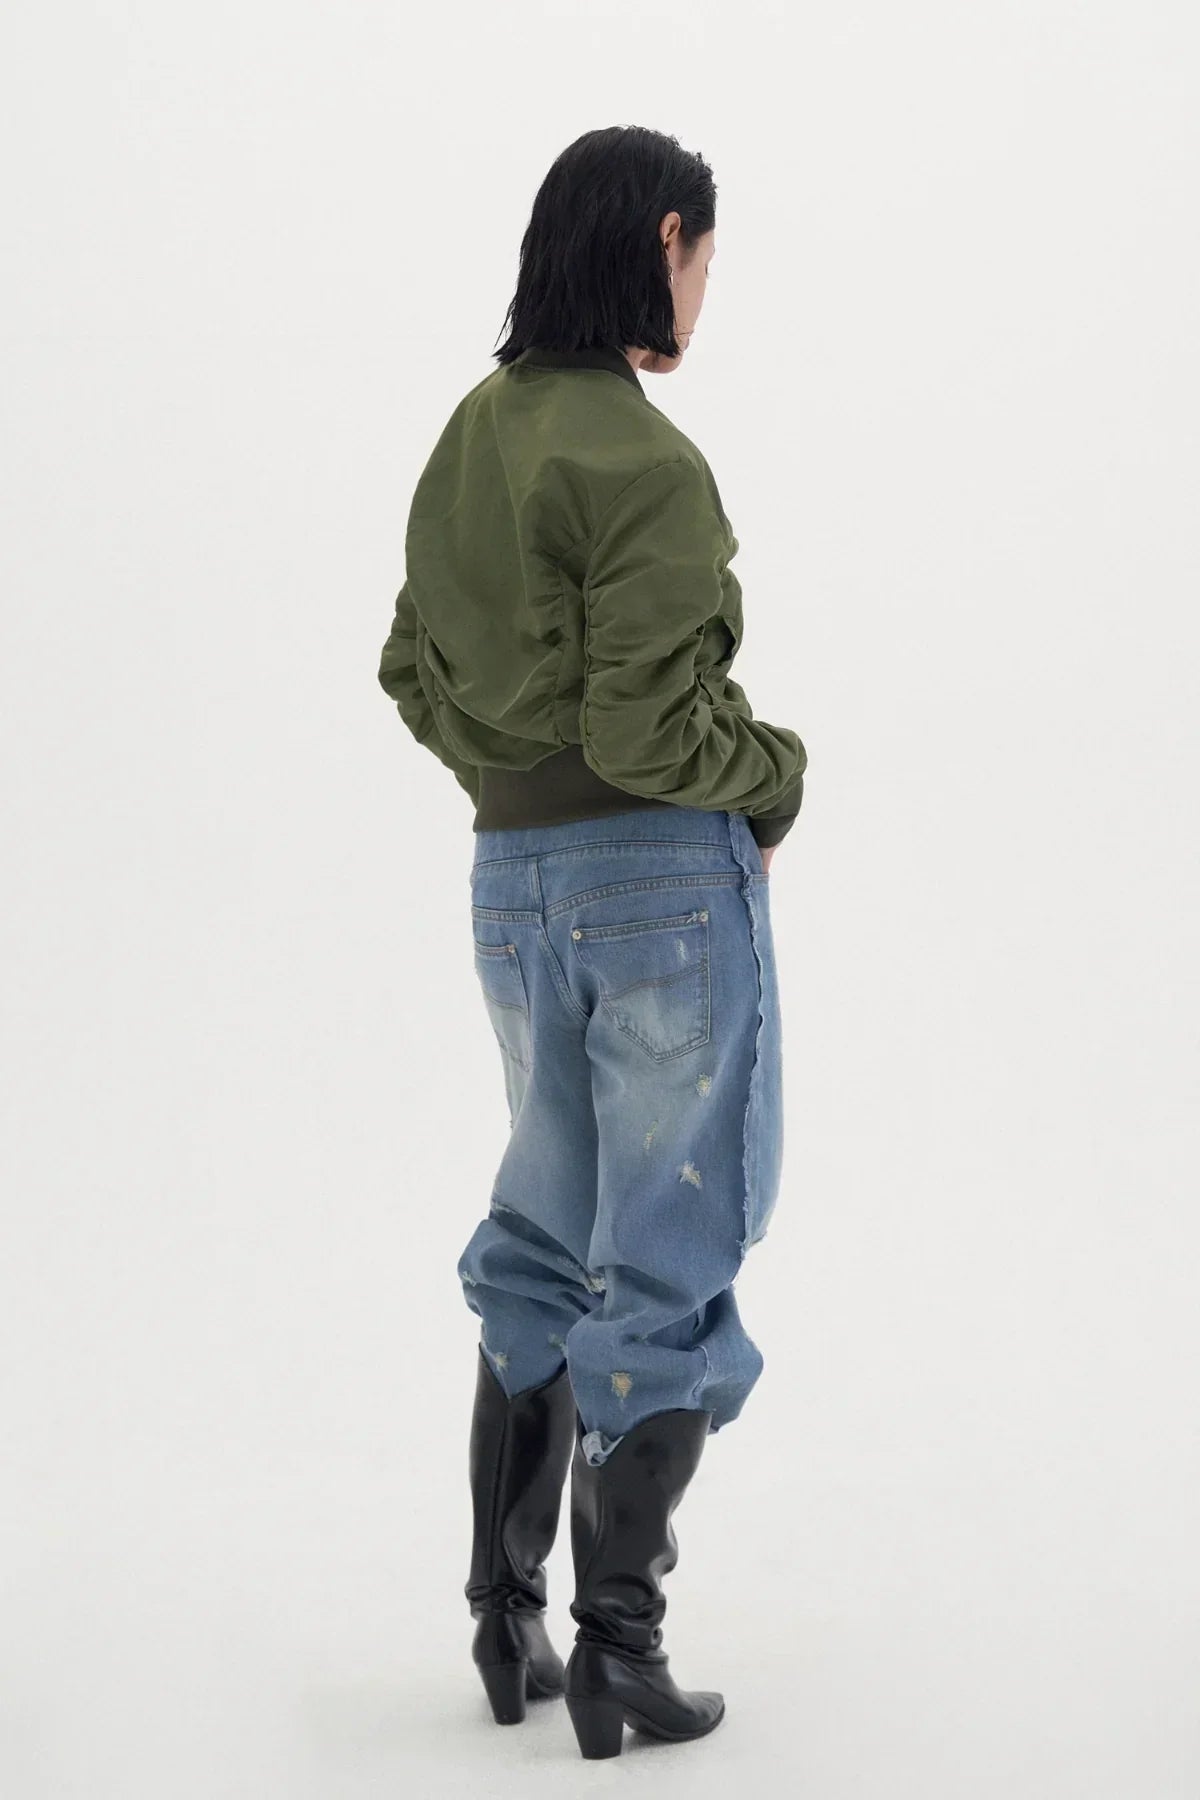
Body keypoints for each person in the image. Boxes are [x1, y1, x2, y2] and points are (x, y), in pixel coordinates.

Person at [376, 124, 808, 1760]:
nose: (705, 293)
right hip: (656, 886)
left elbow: (412, 666)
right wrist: (775, 773)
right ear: (668, 240)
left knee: (541, 1231)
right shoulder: (650, 463)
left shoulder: (469, 439)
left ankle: (508, 1625)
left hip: (510, 881)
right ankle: (623, 1651)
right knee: (670, 1247)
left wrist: (512, 779)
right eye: (705, 262)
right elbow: (650, 724)